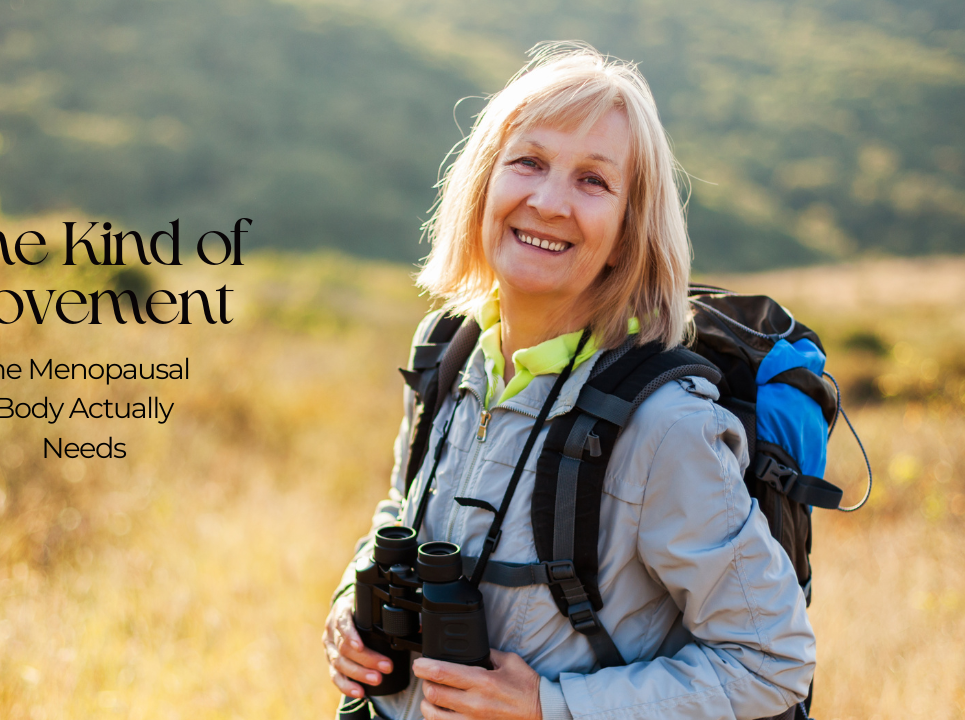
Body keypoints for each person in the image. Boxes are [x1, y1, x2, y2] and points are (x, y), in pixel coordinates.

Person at [322, 42, 815, 720]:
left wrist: (552, 707)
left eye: (594, 181)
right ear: (485, 181)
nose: (550, 202)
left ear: (626, 231)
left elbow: (771, 661)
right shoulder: (450, 350)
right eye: (528, 161)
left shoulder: (665, 426)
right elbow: (400, 514)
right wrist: (350, 605)